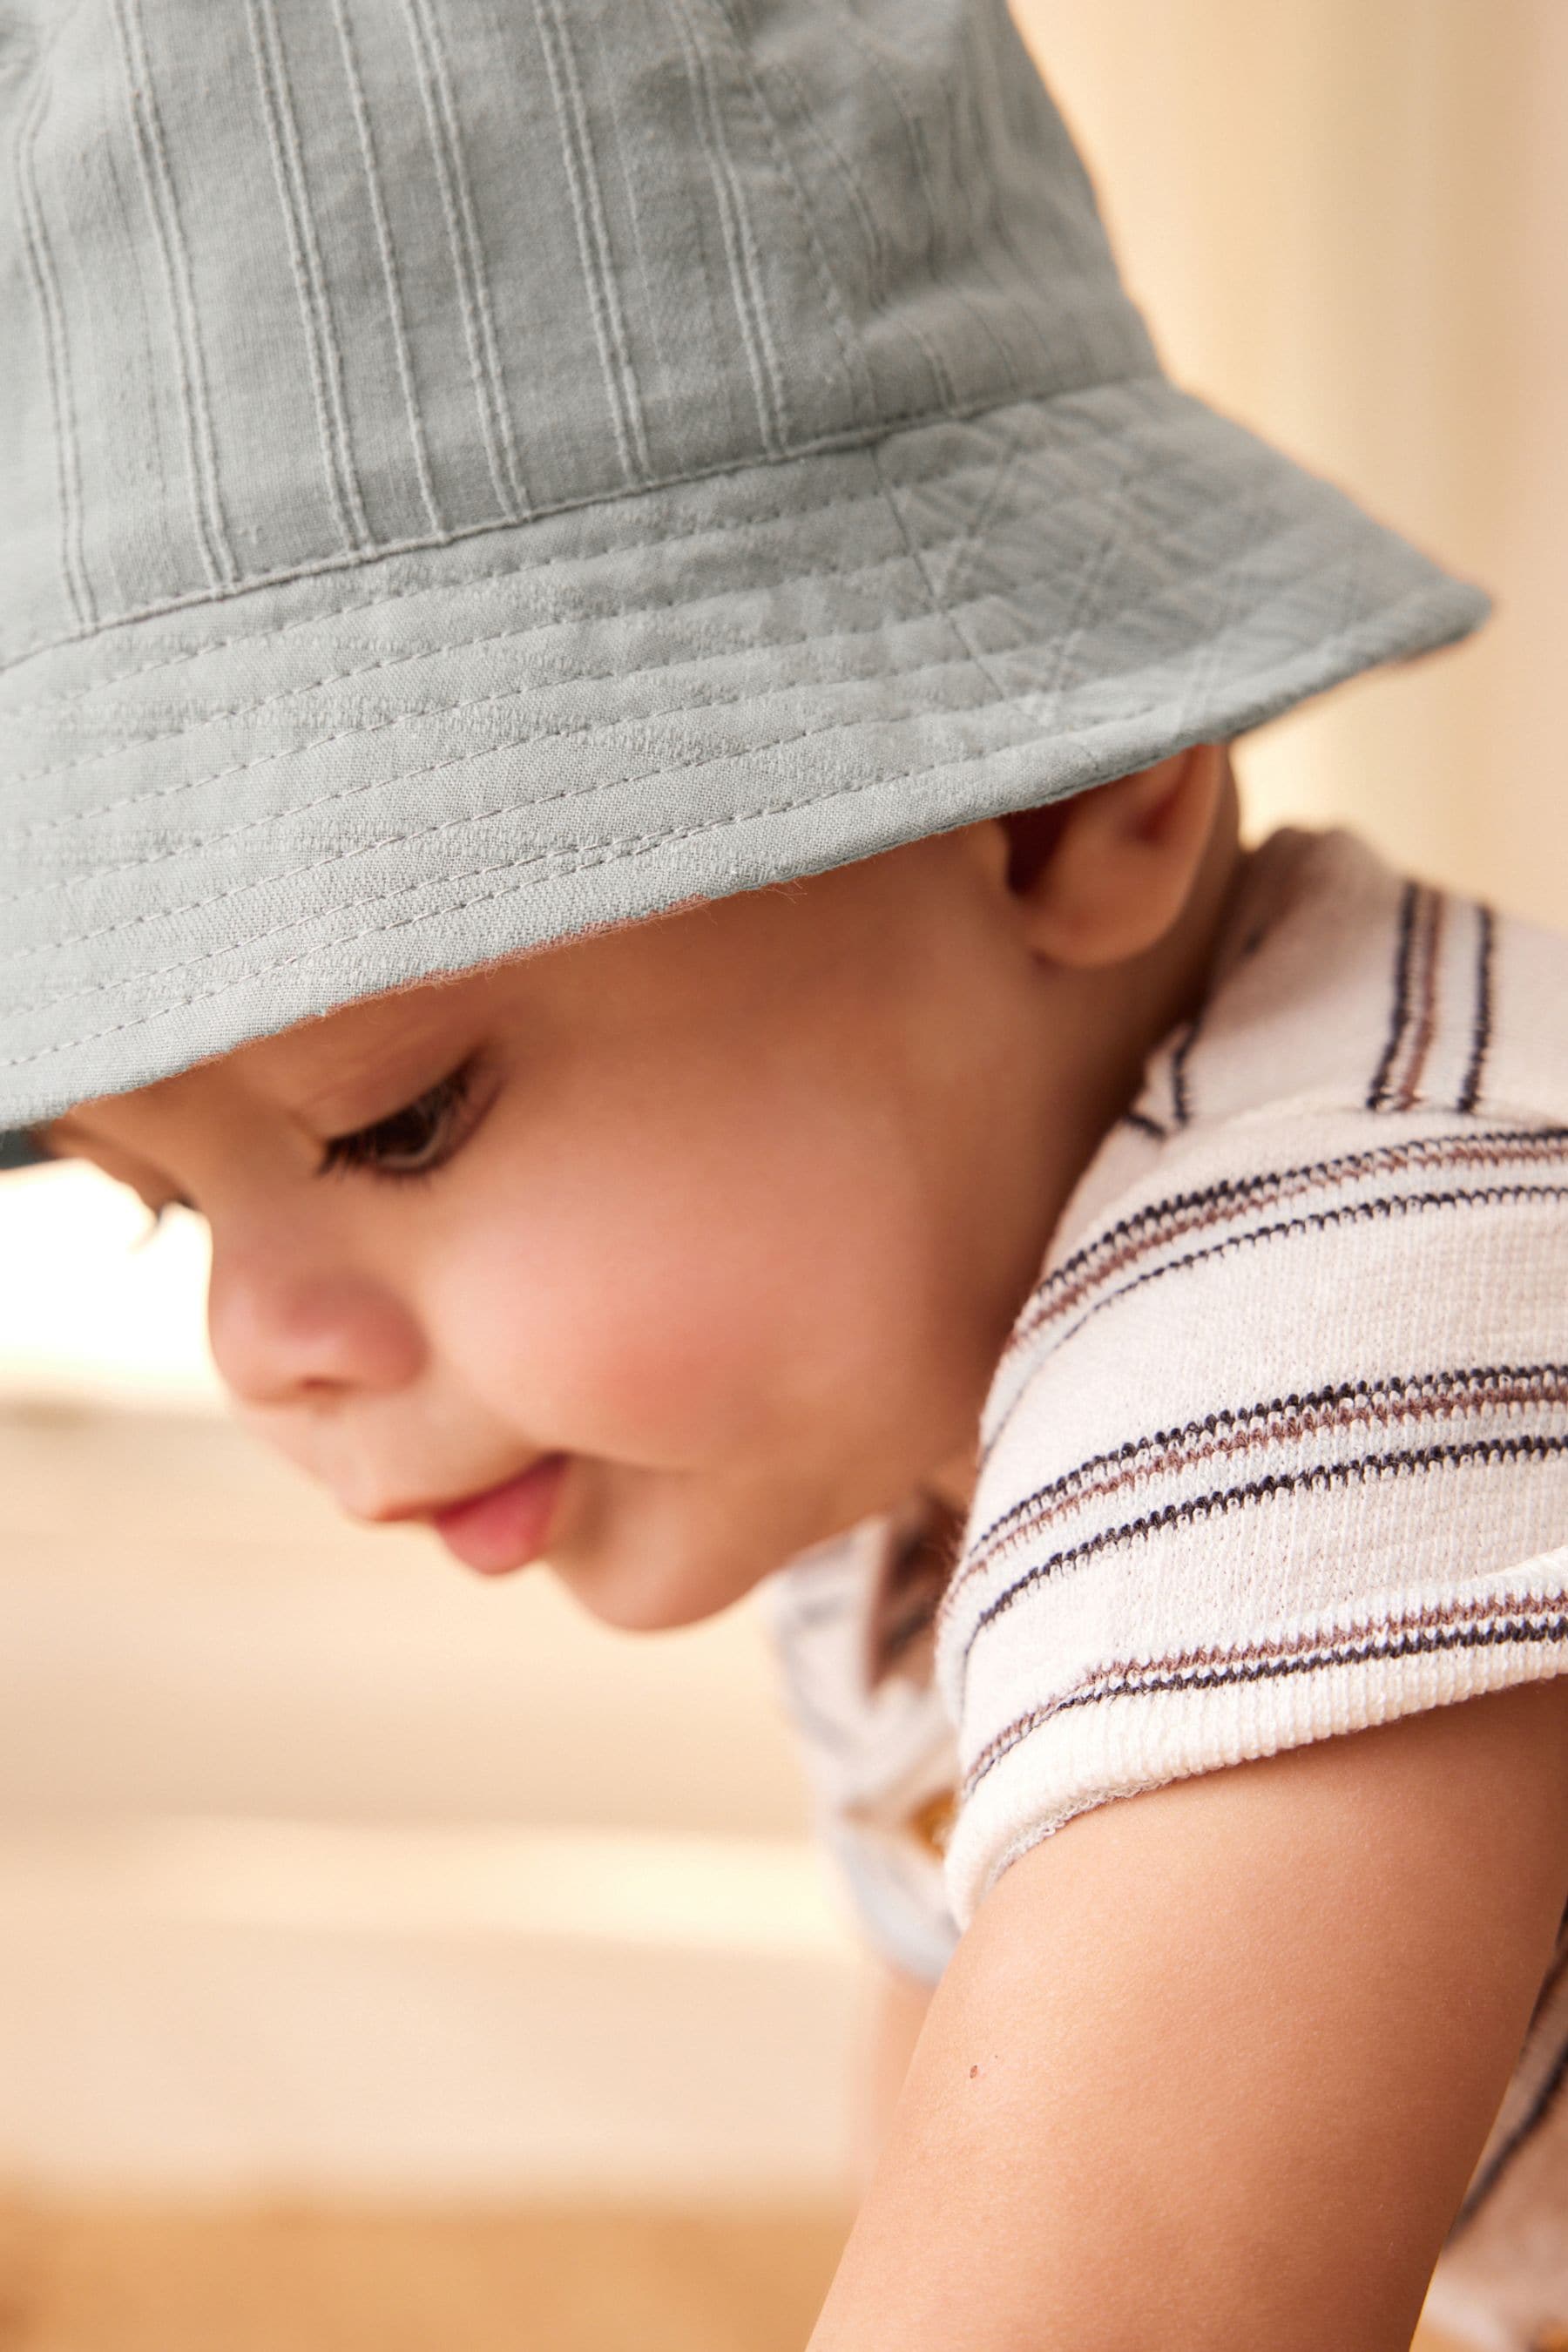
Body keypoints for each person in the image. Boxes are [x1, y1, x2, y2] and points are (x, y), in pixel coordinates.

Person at [3, 2, 1565, 2342]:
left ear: (1059, 799)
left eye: (392, 1122)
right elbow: (968, 2124)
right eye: (169, 1201)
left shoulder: (1339, 1305)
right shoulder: (926, 1440)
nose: (259, 1340)